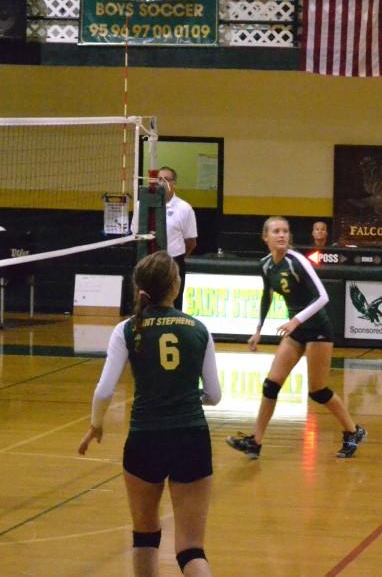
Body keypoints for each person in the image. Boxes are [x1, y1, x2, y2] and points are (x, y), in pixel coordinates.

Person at [78, 251, 220, 577]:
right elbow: (214, 394)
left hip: (145, 439)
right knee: (191, 549)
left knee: (144, 535)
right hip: (191, 438)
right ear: (175, 286)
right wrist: (185, 394)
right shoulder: (198, 328)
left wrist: (96, 424)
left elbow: (103, 390)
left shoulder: (127, 329)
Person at [226, 216, 365, 460]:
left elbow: (322, 297)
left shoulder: (297, 261)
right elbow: (266, 296)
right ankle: (255, 442)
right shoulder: (266, 265)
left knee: (318, 390)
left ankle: (352, 431)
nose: (282, 235)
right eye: (276, 231)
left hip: (317, 329)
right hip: (297, 330)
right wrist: (258, 329)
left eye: (285, 231)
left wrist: (296, 320)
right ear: (265, 237)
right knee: (271, 385)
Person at [157, 166, 198, 310]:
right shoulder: (142, 206)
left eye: (166, 180)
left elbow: (191, 242)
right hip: (150, 263)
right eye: (159, 179)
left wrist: (177, 258)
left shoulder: (184, 208)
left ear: (174, 184)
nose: (162, 183)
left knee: (174, 303)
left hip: (174, 261)